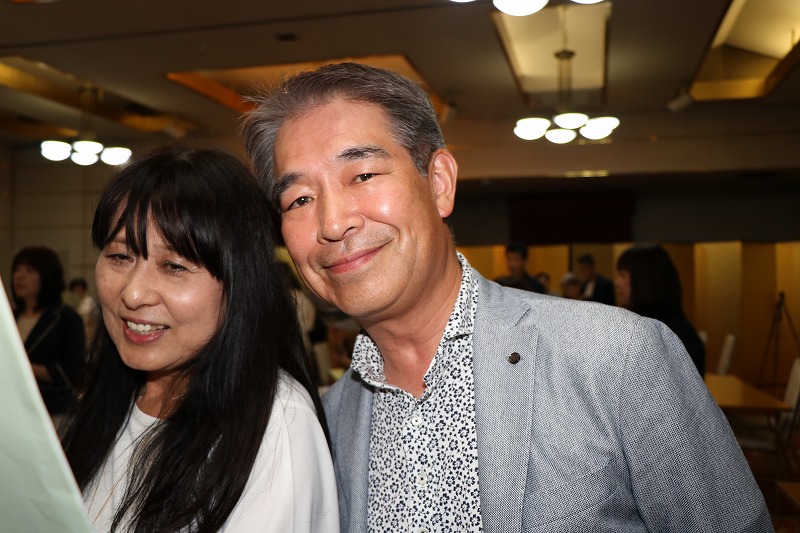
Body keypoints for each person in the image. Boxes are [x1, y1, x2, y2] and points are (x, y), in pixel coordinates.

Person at [242, 62, 770, 532]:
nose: (333, 223)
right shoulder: (328, 420)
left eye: (362, 174)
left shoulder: (616, 357)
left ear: (439, 183)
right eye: (300, 199)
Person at [59, 146, 338, 532]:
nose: (133, 294)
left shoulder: (275, 426)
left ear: (239, 283)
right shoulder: (112, 397)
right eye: (120, 257)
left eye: (173, 266)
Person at [11, 246, 85, 420]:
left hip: (53, 411)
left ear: (47, 276)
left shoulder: (67, 318)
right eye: (17, 269)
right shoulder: (9, 316)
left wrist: (26, 368)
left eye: (29, 270)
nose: (19, 276)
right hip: (12, 407)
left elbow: (75, 371)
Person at [615, 243, 706, 375]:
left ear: (644, 280)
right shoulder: (643, 327)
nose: (616, 282)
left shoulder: (673, 337)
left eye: (622, 275)